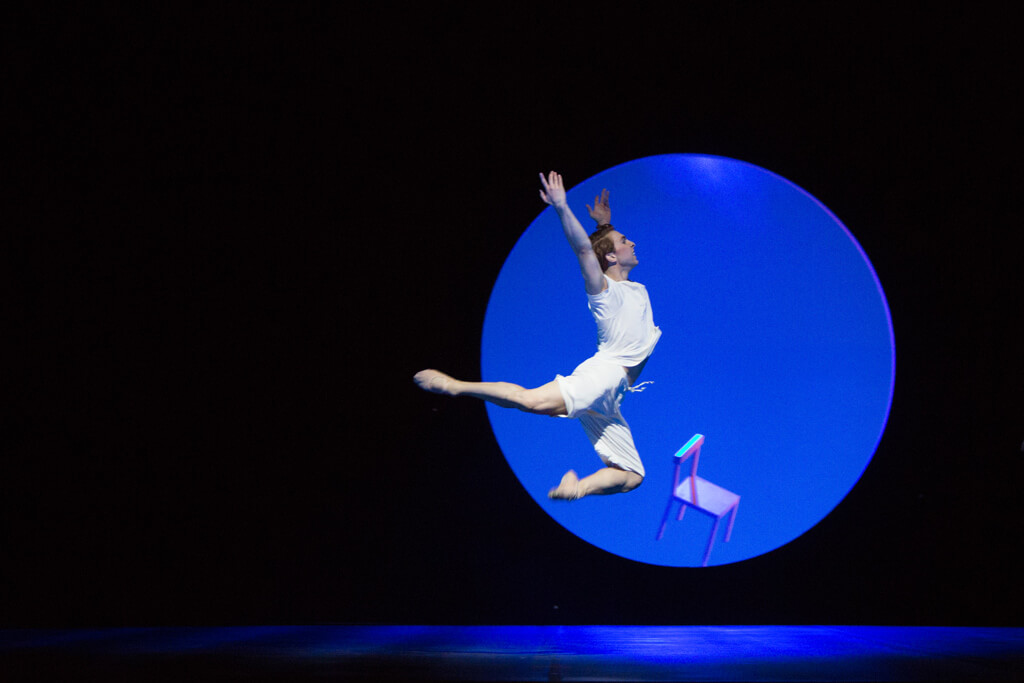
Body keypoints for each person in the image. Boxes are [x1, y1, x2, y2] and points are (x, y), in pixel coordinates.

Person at [414, 171, 661, 500]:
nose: (632, 243)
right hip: (604, 376)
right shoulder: (606, 293)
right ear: (612, 256)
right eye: (624, 241)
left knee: (632, 476)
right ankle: (455, 386)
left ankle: (578, 488)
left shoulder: (634, 288)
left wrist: (605, 226)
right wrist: (561, 207)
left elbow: (600, 249)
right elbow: (586, 252)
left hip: (612, 395)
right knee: (531, 401)